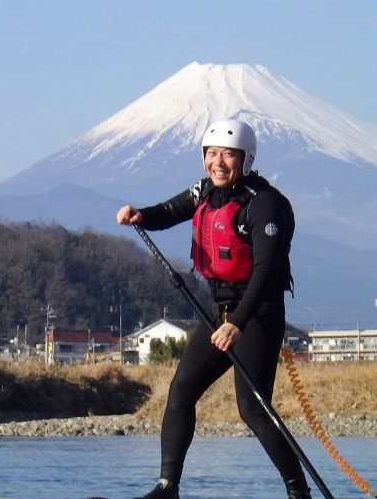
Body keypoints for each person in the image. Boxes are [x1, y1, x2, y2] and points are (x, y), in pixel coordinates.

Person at [116, 119, 309, 499]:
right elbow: (170, 211)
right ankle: (167, 486)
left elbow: (266, 271)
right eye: (211, 153)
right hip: (219, 314)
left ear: (246, 159)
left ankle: (298, 492)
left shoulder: (264, 204)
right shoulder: (206, 191)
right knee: (182, 390)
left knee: (252, 410)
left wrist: (238, 323)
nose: (218, 162)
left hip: (256, 316)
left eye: (228, 155)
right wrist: (140, 215)